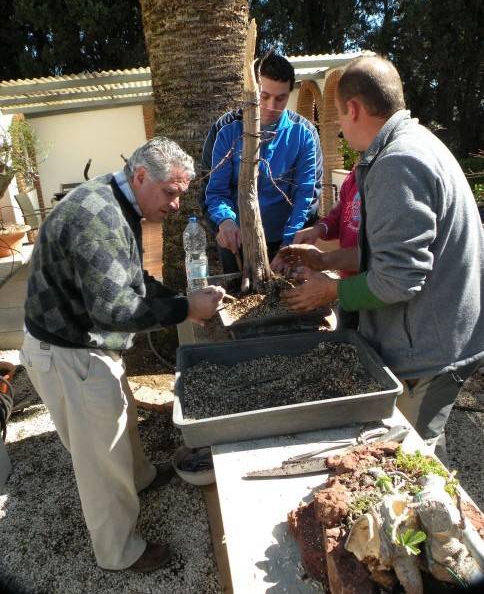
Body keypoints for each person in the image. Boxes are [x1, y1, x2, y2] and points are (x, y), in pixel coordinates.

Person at [20, 137, 225, 573]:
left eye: (180, 195)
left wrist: (180, 295)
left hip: (80, 342)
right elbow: (116, 310)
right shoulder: (101, 218)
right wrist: (187, 308)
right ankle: (119, 552)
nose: (174, 205)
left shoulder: (116, 201)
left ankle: (142, 478)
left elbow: (132, 280)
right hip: (67, 352)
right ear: (140, 176)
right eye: (170, 192)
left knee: (121, 417)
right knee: (101, 458)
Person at [278, 55, 483, 459]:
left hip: (432, 350)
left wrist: (332, 293)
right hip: (435, 335)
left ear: (353, 109)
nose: (340, 131)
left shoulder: (398, 163)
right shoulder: (412, 145)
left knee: (412, 460)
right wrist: (325, 260)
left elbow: (399, 279)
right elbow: (391, 253)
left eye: (338, 116)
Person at [202, 53, 323, 272]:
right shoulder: (225, 129)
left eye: (281, 99)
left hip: (286, 238)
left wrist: (289, 244)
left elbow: (306, 195)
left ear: (289, 94)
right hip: (237, 240)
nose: (271, 106)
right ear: (250, 89)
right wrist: (225, 221)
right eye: (263, 96)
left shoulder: (304, 133)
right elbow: (214, 189)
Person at [280, 162, 361, 329]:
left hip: (369, 288)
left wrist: (323, 261)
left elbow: (379, 256)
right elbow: (339, 215)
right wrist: (318, 229)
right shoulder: (356, 173)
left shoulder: (385, 176)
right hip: (347, 284)